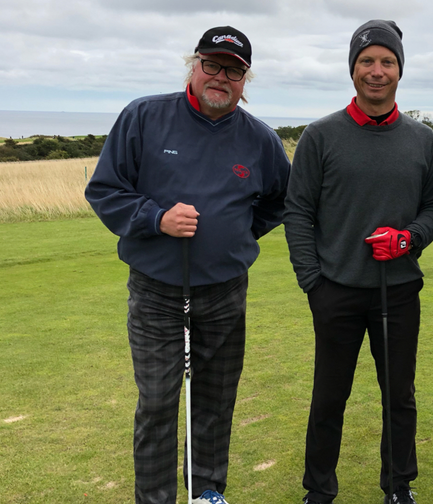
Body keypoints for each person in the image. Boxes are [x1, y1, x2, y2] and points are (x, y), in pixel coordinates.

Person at [85, 26, 290, 504]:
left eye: (234, 71)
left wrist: (237, 233)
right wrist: (156, 219)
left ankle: (207, 492)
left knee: (215, 401)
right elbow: (105, 191)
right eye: (212, 64)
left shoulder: (260, 139)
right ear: (193, 66)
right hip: (157, 290)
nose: (221, 77)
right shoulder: (144, 116)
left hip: (225, 291)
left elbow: (280, 200)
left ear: (245, 81)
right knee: (158, 403)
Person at [284, 20, 433, 504]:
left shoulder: (422, 139)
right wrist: (312, 282)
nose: (377, 71)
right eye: (367, 61)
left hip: (399, 290)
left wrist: (409, 239)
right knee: (329, 396)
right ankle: (319, 489)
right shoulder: (320, 135)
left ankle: (398, 486)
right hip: (335, 290)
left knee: (399, 395)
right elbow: (298, 211)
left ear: (400, 69)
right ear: (353, 69)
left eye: (387, 62)